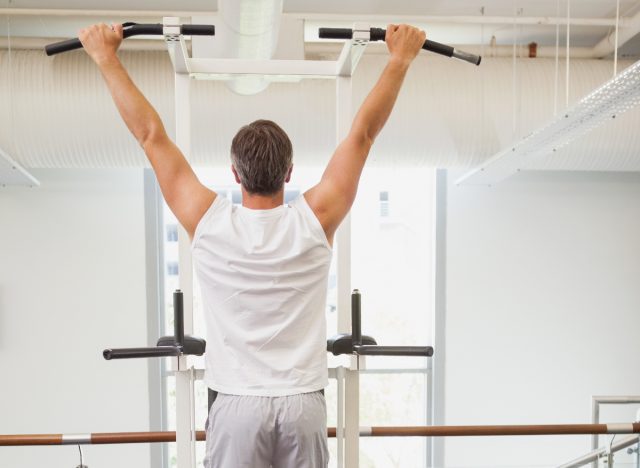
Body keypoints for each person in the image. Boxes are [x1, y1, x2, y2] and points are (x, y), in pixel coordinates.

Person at [79, 22, 425, 468]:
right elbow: (362, 136)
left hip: (237, 406)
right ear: (289, 173)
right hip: (302, 405)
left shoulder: (208, 220)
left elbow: (150, 135)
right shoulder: (315, 219)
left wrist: (106, 58)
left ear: (235, 174)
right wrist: (400, 60)